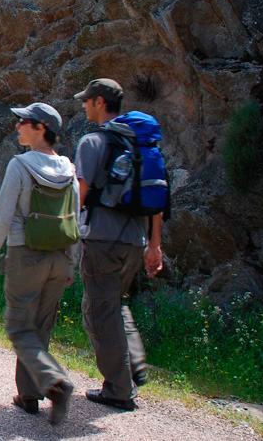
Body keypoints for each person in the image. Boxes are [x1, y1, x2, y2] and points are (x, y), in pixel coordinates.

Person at [0, 103, 77, 425]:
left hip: (27, 254)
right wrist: (72, 265)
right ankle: (29, 395)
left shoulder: (20, 165)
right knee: (41, 326)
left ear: (40, 127)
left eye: (22, 121)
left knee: (19, 325)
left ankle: (54, 383)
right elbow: (76, 218)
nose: (17, 126)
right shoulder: (69, 168)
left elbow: (3, 214)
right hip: (60, 257)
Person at [74, 78, 164, 411]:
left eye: (87, 100)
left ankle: (119, 389)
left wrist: (67, 240)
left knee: (98, 312)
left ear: (100, 102)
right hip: (135, 242)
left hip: (102, 240)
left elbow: (79, 197)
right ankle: (134, 362)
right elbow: (157, 199)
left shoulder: (93, 142)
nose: (83, 105)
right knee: (116, 302)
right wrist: (154, 245)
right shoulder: (140, 143)